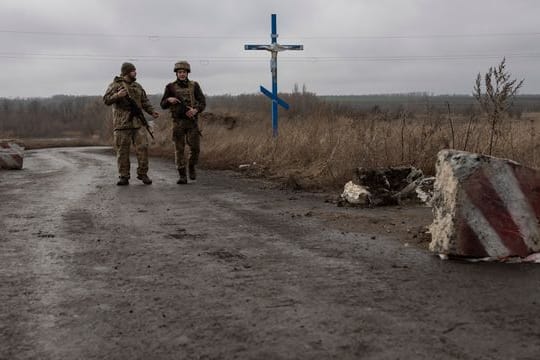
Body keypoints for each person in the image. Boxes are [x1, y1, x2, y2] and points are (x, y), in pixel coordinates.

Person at [103, 62, 159, 186]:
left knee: (143, 148)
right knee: (122, 151)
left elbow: (144, 101)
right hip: (122, 124)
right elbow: (106, 100)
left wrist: (152, 111)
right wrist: (118, 95)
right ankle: (124, 176)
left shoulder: (137, 86)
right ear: (127, 72)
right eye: (133, 71)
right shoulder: (115, 85)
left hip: (138, 123)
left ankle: (143, 174)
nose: (135, 73)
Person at [160, 61, 206, 184]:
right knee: (179, 149)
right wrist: (169, 99)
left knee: (195, 148)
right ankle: (182, 175)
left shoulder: (194, 85)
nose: (182, 74)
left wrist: (195, 110)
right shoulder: (170, 87)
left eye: (184, 72)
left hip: (192, 122)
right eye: (179, 72)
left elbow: (202, 102)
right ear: (176, 73)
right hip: (178, 122)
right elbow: (162, 104)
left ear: (187, 73)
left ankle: (191, 166)